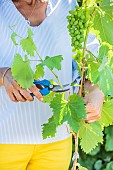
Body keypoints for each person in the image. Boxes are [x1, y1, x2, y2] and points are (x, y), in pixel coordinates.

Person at [0, 0, 104, 169]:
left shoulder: (68, 6)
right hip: (4, 141)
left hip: (56, 144)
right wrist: (3, 75)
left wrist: (95, 90)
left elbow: (92, 60)